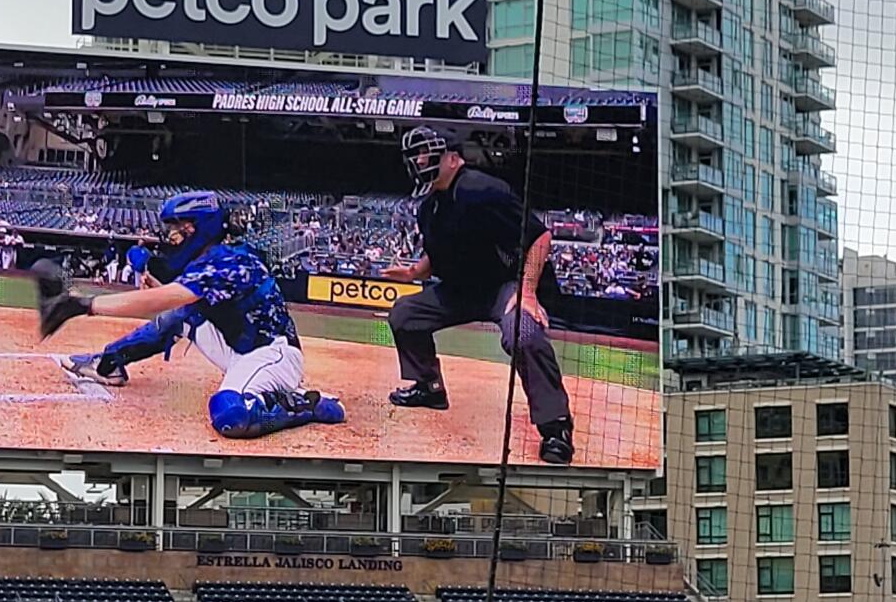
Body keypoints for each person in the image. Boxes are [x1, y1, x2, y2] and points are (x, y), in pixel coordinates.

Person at [41, 191, 345, 439]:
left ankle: (305, 403)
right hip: (239, 348)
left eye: (179, 226)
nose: (172, 235)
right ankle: (109, 364)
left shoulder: (228, 259)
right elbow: (181, 302)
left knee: (230, 414)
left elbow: (160, 299)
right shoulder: (211, 259)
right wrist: (160, 289)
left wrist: (85, 305)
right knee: (182, 315)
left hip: (272, 354)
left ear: (198, 226)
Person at [380, 126, 575, 465]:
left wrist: (528, 290)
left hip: (504, 285)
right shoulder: (429, 208)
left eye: (429, 153)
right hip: (461, 290)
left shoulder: (482, 189)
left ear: (454, 159)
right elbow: (439, 256)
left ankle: (556, 427)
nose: (420, 160)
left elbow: (540, 236)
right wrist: (414, 273)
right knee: (405, 314)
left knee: (522, 333)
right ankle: (429, 388)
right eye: (416, 155)